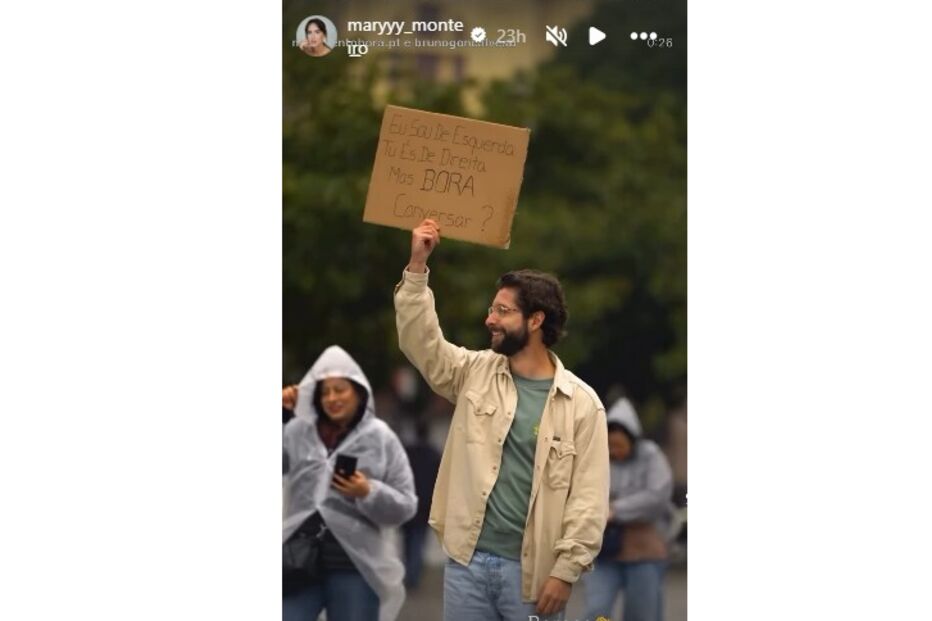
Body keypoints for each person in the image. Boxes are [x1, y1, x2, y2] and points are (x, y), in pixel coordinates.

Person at [393, 219, 609, 621]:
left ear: (536, 320)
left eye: (502, 311)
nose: (489, 319)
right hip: (466, 563)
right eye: (492, 309)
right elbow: (421, 343)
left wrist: (564, 572)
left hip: (533, 577)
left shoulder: (582, 404)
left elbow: (588, 499)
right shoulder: (474, 372)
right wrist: (418, 267)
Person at [282, 345, 417, 621]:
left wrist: (367, 492)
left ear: (359, 391)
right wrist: (281, 416)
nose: (332, 398)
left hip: (354, 565)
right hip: (298, 562)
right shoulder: (298, 430)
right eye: (325, 391)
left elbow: (406, 504)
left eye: (340, 389)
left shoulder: (380, 438)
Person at [582, 397, 674, 621]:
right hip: (603, 552)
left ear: (632, 439)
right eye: (610, 445)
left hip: (644, 552)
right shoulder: (597, 456)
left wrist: (615, 509)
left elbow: (657, 495)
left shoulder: (650, 455)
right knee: (596, 611)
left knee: (642, 614)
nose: (614, 451)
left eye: (619, 446)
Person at [401, 418, 442, 589]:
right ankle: (414, 574)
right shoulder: (434, 454)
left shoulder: (407, 452)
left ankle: (409, 572)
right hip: (425, 504)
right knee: (418, 540)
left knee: (407, 540)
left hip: (407, 501)